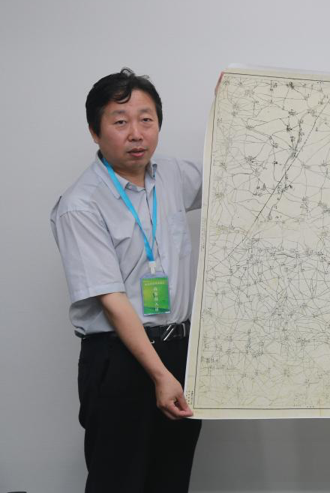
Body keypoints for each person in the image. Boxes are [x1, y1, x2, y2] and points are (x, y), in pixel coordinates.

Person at [51, 68, 203, 492]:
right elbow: (112, 301)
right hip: (120, 359)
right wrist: (160, 376)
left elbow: (238, 177)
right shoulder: (80, 205)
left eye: (146, 119)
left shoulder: (172, 175)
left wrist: (238, 105)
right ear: (95, 132)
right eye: (120, 121)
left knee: (171, 479)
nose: (136, 133)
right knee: (119, 481)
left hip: (179, 351)